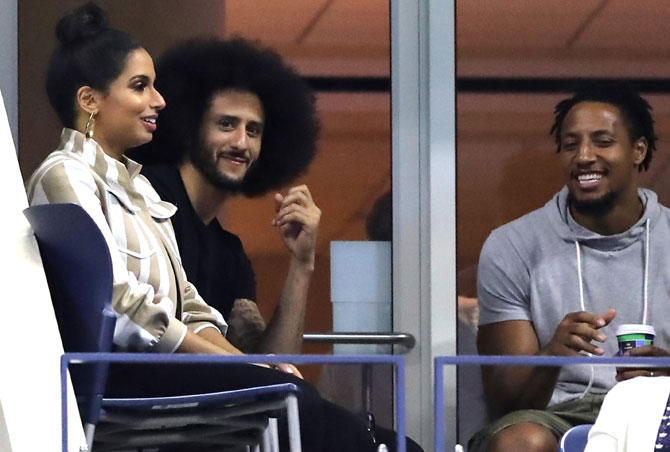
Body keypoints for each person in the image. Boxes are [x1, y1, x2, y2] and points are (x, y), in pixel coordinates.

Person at [26, 4, 421, 452]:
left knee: (295, 394)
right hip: (124, 374)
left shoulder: (137, 187)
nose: (159, 101)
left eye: (254, 130)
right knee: (302, 406)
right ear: (90, 100)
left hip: (159, 366)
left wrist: (253, 364)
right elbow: (120, 303)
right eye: (141, 86)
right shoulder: (65, 174)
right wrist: (239, 365)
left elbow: (189, 304)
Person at [468, 81, 670, 452]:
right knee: (520, 442)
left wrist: (666, 372)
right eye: (571, 144)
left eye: (602, 141)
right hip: (558, 412)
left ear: (638, 150)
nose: (584, 156)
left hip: (661, 408)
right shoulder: (512, 245)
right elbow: (503, 401)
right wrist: (551, 355)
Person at [133, 37, 319, 357]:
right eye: (226, 124)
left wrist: (302, 264)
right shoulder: (149, 197)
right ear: (189, 127)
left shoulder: (229, 253)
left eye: (254, 130)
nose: (241, 142)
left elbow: (274, 363)